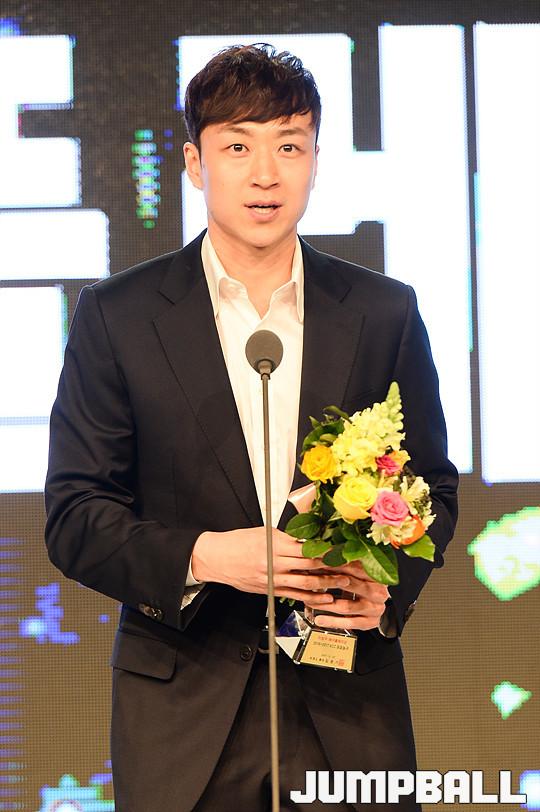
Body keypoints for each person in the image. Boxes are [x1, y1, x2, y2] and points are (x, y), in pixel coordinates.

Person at [44, 44, 458, 811]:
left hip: (347, 702)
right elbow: (76, 518)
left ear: (315, 161)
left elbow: (431, 483)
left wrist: (386, 590)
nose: (265, 174)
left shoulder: (382, 312)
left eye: (289, 147)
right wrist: (208, 556)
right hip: (185, 710)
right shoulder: (119, 317)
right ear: (195, 164)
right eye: (238, 147)